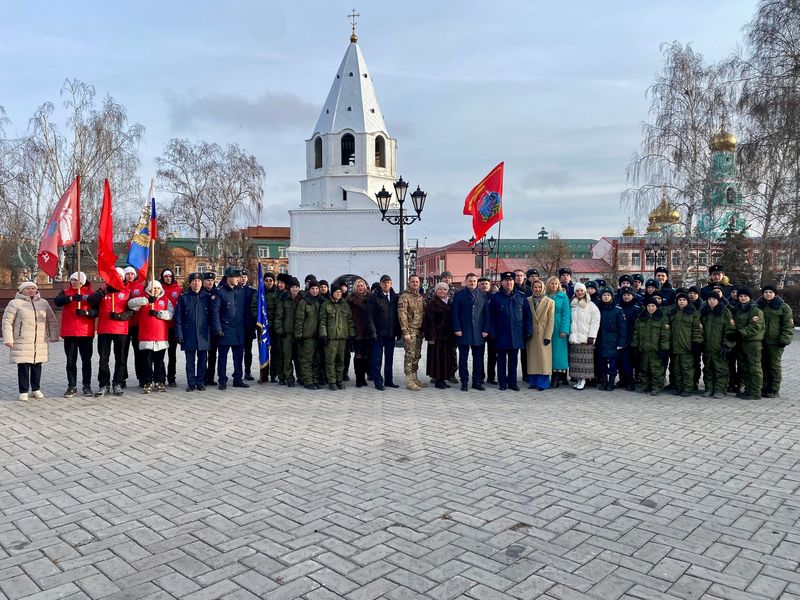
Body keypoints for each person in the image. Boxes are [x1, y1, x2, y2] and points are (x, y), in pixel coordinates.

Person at [2, 281, 59, 401]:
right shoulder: (15, 303)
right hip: (22, 339)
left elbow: (51, 320)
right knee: (23, 365)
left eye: (33, 288)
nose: (31, 290)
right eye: (28, 288)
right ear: (22, 290)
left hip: (39, 340)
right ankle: (23, 391)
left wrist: (54, 335)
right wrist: (8, 338)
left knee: (37, 365)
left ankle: (36, 389)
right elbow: (7, 322)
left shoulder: (43, 303)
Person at [89, 267, 133, 397]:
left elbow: (131, 312)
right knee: (103, 359)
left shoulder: (127, 292)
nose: (117, 278)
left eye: (119, 276)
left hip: (121, 329)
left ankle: (117, 382)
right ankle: (104, 384)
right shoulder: (103, 291)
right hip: (104, 329)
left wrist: (120, 316)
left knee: (120, 358)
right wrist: (104, 292)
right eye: (114, 276)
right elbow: (91, 301)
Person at [53, 271, 96, 398]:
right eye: (71, 280)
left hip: (85, 332)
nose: (73, 282)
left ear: (82, 282)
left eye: (76, 280)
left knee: (86, 361)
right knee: (71, 361)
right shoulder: (66, 292)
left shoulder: (90, 294)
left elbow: (97, 311)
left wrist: (87, 313)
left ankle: (86, 386)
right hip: (70, 332)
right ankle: (71, 385)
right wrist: (71, 298)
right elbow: (57, 301)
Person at [488, 272, 532, 391]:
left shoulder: (521, 297)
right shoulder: (495, 298)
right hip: (501, 334)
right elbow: (490, 317)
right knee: (501, 360)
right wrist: (491, 332)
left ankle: (512, 382)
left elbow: (527, 316)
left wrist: (527, 330)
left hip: (516, 334)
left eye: (511, 280)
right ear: (502, 282)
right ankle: (502, 383)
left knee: (513, 360)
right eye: (506, 280)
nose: (509, 282)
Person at [128, 280, 175, 393]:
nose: (155, 290)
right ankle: (147, 381)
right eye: (153, 288)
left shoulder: (165, 300)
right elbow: (130, 304)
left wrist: (158, 313)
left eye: (158, 288)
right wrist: (146, 300)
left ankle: (159, 381)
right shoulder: (143, 299)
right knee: (147, 361)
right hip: (146, 336)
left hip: (160, 336)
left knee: (159, 361)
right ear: (149, 289)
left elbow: (171, 314)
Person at [174, 272, 213, 391]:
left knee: (202, 360)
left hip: (203, 334)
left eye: (199, 281)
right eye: (194, 281)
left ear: (202, 283)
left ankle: (200, 382)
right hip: (189, 334)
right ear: (190, 283)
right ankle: (191, 382)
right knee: (189, 361)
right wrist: (179, 334)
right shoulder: (183, 298)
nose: (197, 283)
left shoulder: (207, 297)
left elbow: (213, 316)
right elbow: (178, 318)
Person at [212, 267, 249, 390]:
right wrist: (218, 328)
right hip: (225, 330)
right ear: (229, 278)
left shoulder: (240, 291)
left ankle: (238, 379)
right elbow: (215, 312)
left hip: (239, 330)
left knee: (238, 357)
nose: (239, 279)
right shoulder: (220, 292)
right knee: (222, 357)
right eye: (236, 277)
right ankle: (222, 380)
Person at [452, 273, 489, 391]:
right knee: (463, 359)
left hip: (479, 333)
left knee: (478, 359)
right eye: (470, 281)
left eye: (474, 281)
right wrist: (457, 328)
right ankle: (464, 382)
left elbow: (487, 314)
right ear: (465, 281)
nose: (472, 283)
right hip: (464, 331)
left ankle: (477, 382)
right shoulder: (459, 295)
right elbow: (454, 313)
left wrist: (486, 329)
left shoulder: (483, 295)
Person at [757, 284, 794, 398]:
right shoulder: (758, 306)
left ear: (775, 294)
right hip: (761, 340)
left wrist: (784, 339)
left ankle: (774, 388)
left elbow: (788, 325)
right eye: (766, 292)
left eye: (770, 292)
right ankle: (763, 386)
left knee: (774, 365)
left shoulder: (783, 307)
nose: (768, 294)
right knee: (762, 364)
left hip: (775, 342)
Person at [365, 275, 400, 390]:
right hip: (378, 334)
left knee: (389, 358)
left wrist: (398, 332)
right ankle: (378, 382)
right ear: (380, 284)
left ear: (391, 284)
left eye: (388, 282)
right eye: (384, 282)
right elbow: (369, 316)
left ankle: (389, 381)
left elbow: (398, 316)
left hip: (390, 333)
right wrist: (373, 332)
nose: (386, 285)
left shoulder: (395, 297)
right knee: (377, 359)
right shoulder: (374, 297)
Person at [631, 298, 671, 395]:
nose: (650, 308)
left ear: (656, 307)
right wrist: (635, 346)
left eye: (653, 306)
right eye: (649, 306)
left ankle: (656, 387)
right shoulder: (641, 318)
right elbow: (636, 333)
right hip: (644, 349)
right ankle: (644, 385)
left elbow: (665, 335)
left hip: (656, 350)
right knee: (644, 368)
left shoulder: (662, 319)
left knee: (656, 370)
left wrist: (664, 348)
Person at [732, 287, 765, 400]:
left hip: (752, 343)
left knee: (754, 367)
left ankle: (755, 392)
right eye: (741, 296)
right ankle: (748, 390)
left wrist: (740, 333)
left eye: (745, 296)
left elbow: (755, 326)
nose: (743, 298)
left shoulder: (755, 310)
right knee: (743, 367)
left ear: (750, 297)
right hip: (741, 342)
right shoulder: (739, 309)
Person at [699, 293, 735, 398]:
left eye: (714, 299)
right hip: (707, 347)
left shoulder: (725, 312)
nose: (711, 301)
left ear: (718, 300)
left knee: (721, 370)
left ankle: (720, 390)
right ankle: (709, 388)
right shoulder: (704, 312)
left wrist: (727, 345)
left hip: (719, 347)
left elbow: (730, 330)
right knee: (708, 369)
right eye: (709, 298)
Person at [668, 292, 703, 397]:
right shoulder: (673, 312)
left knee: (687, 369)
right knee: (676, 369)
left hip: (687, 346)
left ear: (687, 301)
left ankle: (688, 388)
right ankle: (679, 387)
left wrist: (696, 343)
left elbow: (697, 329)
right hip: (675, 346)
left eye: (684, 300)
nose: (681, 302)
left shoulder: (694, 313)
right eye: (679, 300)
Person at [319, 286, 354, 390]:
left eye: (340, 292)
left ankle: (339, 380)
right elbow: (322, 321)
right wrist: (323, 334)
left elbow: (350, 321)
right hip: (331, 338)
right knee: (330, 360)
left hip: (342, 338)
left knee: (341, 361)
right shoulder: (326, 305)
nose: (338, 293)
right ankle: (331, 381)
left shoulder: (345, 305)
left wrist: (351, 335)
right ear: (332, 293)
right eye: (336, 292)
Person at [568, 282, 600, 391]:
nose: (580, 292)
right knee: (576, 362)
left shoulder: (591, 305)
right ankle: (578, 379)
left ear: (585, 291)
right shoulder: (572, 304)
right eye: (577, 291)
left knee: (585, 362)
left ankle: (583, 380)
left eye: (581, 290)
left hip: (586, 338)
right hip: (574, 337)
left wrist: (592, 336)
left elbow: (595, 321)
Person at [398, 274, 427, 391]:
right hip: (410, 330)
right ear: (408, 283)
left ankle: (415, 378)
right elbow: (402, 316)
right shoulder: (404, 297)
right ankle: (409, 380)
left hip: (419, 330)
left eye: (417, 282)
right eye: (413, 281)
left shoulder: (420, 297)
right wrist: (405, 332)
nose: (415, 283)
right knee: (409, 355)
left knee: (417, 355)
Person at [423, 282, 454, 389]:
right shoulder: (432, 304)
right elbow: (428, 322)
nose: (442, 291)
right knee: (437, 359)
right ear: (436, 291)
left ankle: (444, 378)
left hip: (447, 336)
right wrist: (430, 337)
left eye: (444, 290)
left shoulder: (449, 302)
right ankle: (438, 380)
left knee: (446, 358)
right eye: (440, 289)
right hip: (436, 336)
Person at [526, 279, 555, 391]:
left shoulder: (550, 302)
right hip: (531, 334)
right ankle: (533, 382)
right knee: (532, 359)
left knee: (544, 360)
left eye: (539, 287)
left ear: (543, 288)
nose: (537, 289)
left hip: (543, 334)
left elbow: (551, 321)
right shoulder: (528, 300)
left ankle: (543, 383)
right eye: (535, 287)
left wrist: (548, 336)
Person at [595, 288, 626, 391]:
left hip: (614, 341)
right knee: (601, 363)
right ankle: (604, 381)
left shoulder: (618, 310)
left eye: (608, 295)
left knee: (613, 364)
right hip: (601, 341)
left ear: (612, 297)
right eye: (604, 295)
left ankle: (611, 382)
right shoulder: (597, 309)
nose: (606, 297)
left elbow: (622, 328)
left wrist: (621, 342)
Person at [295, 280, 323, 390]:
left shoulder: (322, 301)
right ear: (309, 289)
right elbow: (299, 320)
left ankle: (315, 380)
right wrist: (299, 334)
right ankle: (308, 381)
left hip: (319, 335)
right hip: (308, 336)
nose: (315, 291)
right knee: (307, 360)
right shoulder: (304, 302)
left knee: (317, 359)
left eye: (316, 288)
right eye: (312, 289)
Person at [275, 277, 302, 387]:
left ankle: (301, 377)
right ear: (289, 288)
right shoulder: (284, 299)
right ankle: (289, 377)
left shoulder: (303, 299)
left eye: (296, 287)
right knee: (287, 357)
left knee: (299, 357)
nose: (295, 289)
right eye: (292, 287)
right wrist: (279, 329)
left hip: (300, 334)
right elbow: (279, 316)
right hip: (287, 333)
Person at [346, 278, 372, 388]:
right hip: (357, 331)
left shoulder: (371, 298)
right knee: (358, 356)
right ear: (355, 288)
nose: (360, 287)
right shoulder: (350, 300)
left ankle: (365, 377)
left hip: (368, 331)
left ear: (365, 287)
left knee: (366, 356)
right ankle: (358, 378)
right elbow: (348, 316)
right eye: (358, 286)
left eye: (362, 285)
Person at [159, 269, 182, 386]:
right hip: (161, 327)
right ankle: (160, 378)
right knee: (160, 354)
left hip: (173, 327)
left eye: (170, 276)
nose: (168, 278)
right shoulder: (158, 289)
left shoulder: (178, 290)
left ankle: (171, 377)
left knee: (172, 355)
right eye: (165, 276)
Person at [546, 276, 570, 388]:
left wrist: (564, 329)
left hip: (558, 327)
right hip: (546, 327)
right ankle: (547, 375)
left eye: (556, 284)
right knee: (547, 353)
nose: (554, 286)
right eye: (552, 283)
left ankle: (556, 377)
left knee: (558, 354)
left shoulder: (563, 297)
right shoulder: (545, 296)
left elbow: (566, 314)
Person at [124, 267, 146, 388]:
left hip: (138, 324)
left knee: (139, 352)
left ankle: (141, 377)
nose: (130, 276)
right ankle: (122, 377)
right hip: (124, 324)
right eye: (128, 274)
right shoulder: (121, 286)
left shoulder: (141, 287)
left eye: (132, 274)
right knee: (123, 352)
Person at [616, 288, 641, 391]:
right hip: (619, 339)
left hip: (631, 339)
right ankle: (622, 380)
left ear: (633, 296)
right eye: (624, 295)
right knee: (619, 362)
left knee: (627, 362)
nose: (626, 297)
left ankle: (630, 382)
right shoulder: (618, 307)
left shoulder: (636, 309)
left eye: (629, 295)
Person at [261, 272, 282, 383]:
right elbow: (255, 307)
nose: (268, 282)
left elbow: (279, 310)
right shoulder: (260, 293)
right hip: (263, 327)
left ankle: (274, 374)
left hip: (274, 327)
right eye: (266, 280)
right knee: (263, 351)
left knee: (275, 352)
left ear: (274, 282)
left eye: (270, 280)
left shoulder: (277, 293)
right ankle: (263, 375)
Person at [238, 269, 257, 382]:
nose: (243, 279)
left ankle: (248, 371)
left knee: (248, 350)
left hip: (249, 325)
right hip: (238, 325)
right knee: (238, 350)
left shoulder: (252, 291)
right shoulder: (235, 290)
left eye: (244, 277)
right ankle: (238, 371)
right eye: (241, 277)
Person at [201, 273, 219, 386]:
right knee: (202, 355)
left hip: (213, 329)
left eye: (211, 280)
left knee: (213, 354)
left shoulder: (217, 292)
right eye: (207, 280)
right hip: (202, 328)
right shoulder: (200, 293)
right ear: (203, 282)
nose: (210, 282)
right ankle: (202, 376)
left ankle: (211, 377)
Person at [478, 277, 497, 385]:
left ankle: (491, 377)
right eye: (482, 284)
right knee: (479, 355)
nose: (484, 285)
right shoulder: (476, 297)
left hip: (492, 330)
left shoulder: (494, 297)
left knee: (493, 355)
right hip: (480, 330)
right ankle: (480, 376)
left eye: (486, 284)